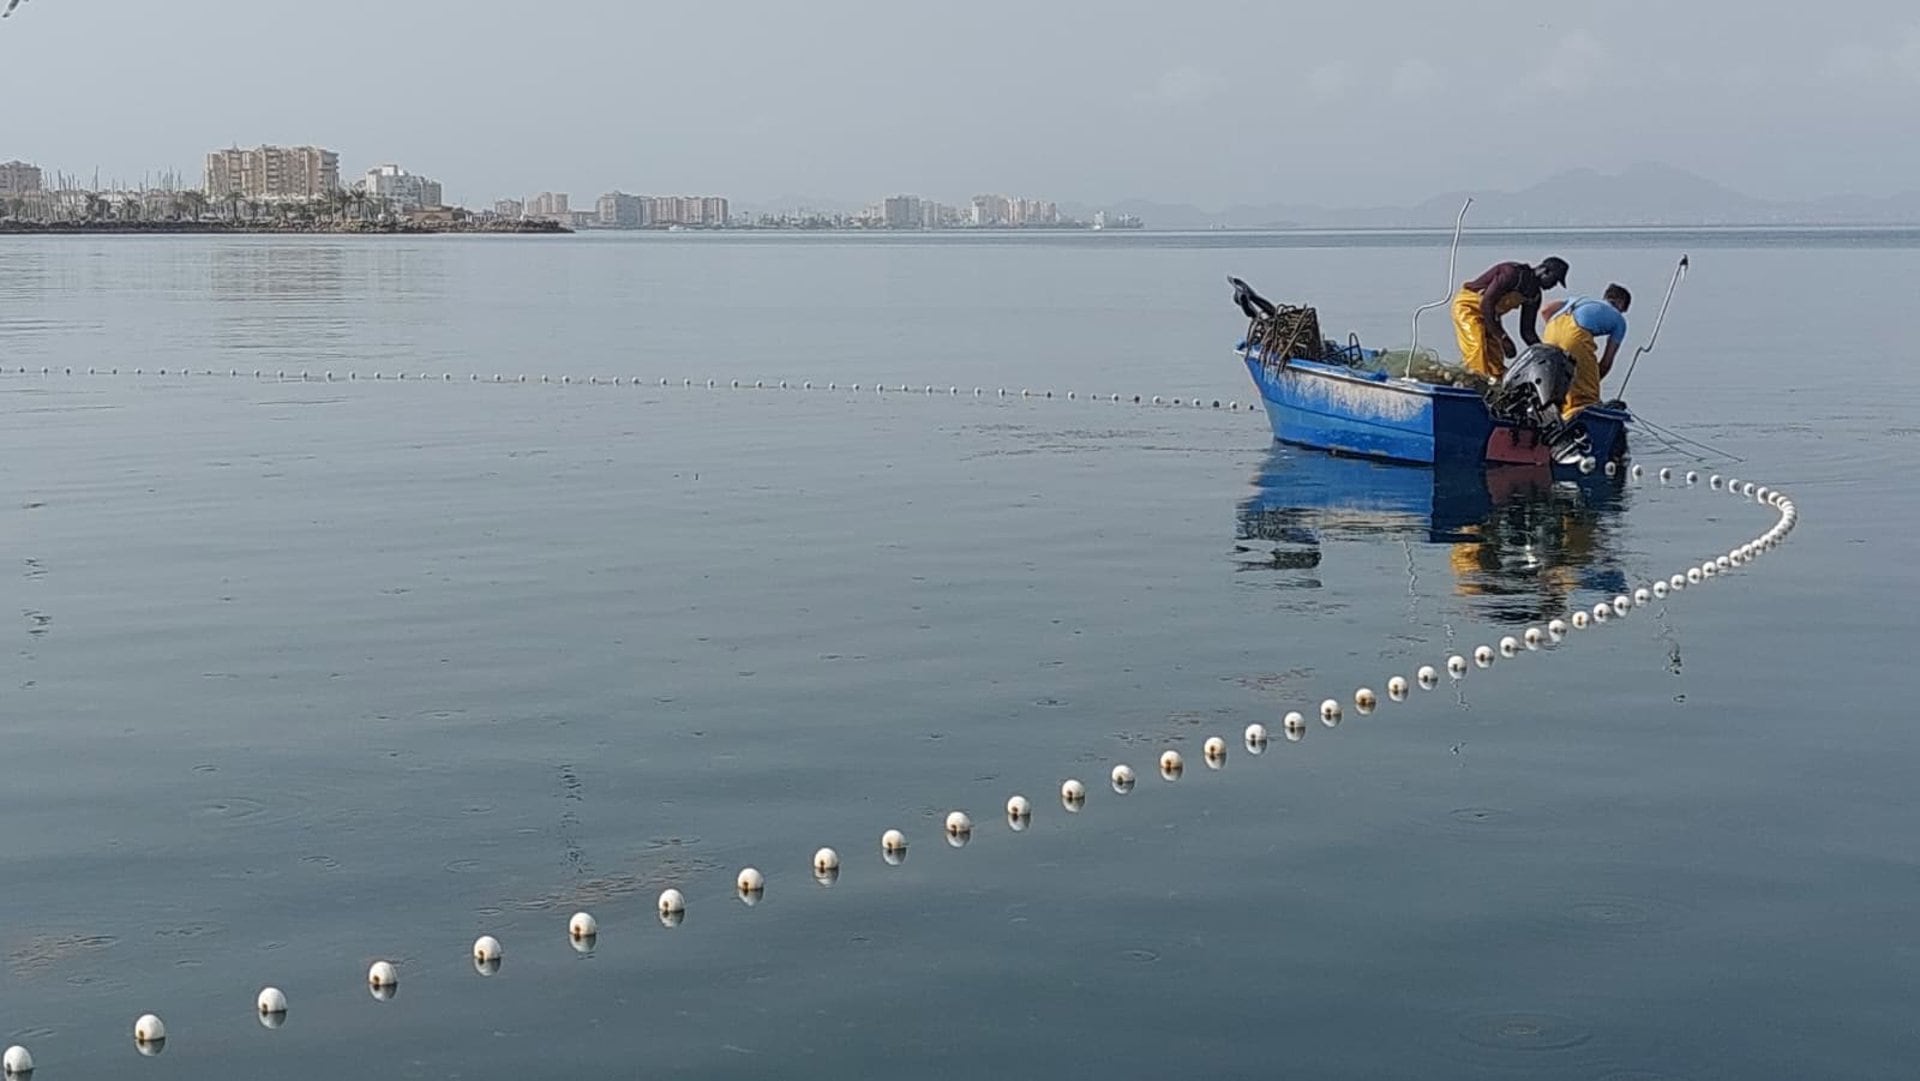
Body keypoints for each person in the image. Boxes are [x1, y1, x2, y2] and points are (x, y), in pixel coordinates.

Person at [1450, 257, 1570, 380]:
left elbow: (1527, 332)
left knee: (1495, 360)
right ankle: (1475, 382)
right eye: (1554, 280)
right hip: (1468, 308)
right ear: (1543, 271)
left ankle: (1496, 385)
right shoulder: (1512, 274)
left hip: (1492, 317)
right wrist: (1503, 338)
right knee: (1477, 348)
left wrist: (1544, 353)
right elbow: (1486, 304)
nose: (1553, 286)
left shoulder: (1534, 296)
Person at [1540, 284, 1631, 418]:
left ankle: (1553, 416)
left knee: (1557, 382)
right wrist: (1591, 381)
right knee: (1585, 398)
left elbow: (1545, 310)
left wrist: (1558, 335)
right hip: (1575, 337)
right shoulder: (1619, 320)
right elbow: (1606, 362)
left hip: (1550, 332)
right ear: (1621, 303)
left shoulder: (1579, 300)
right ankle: (1579, 421)